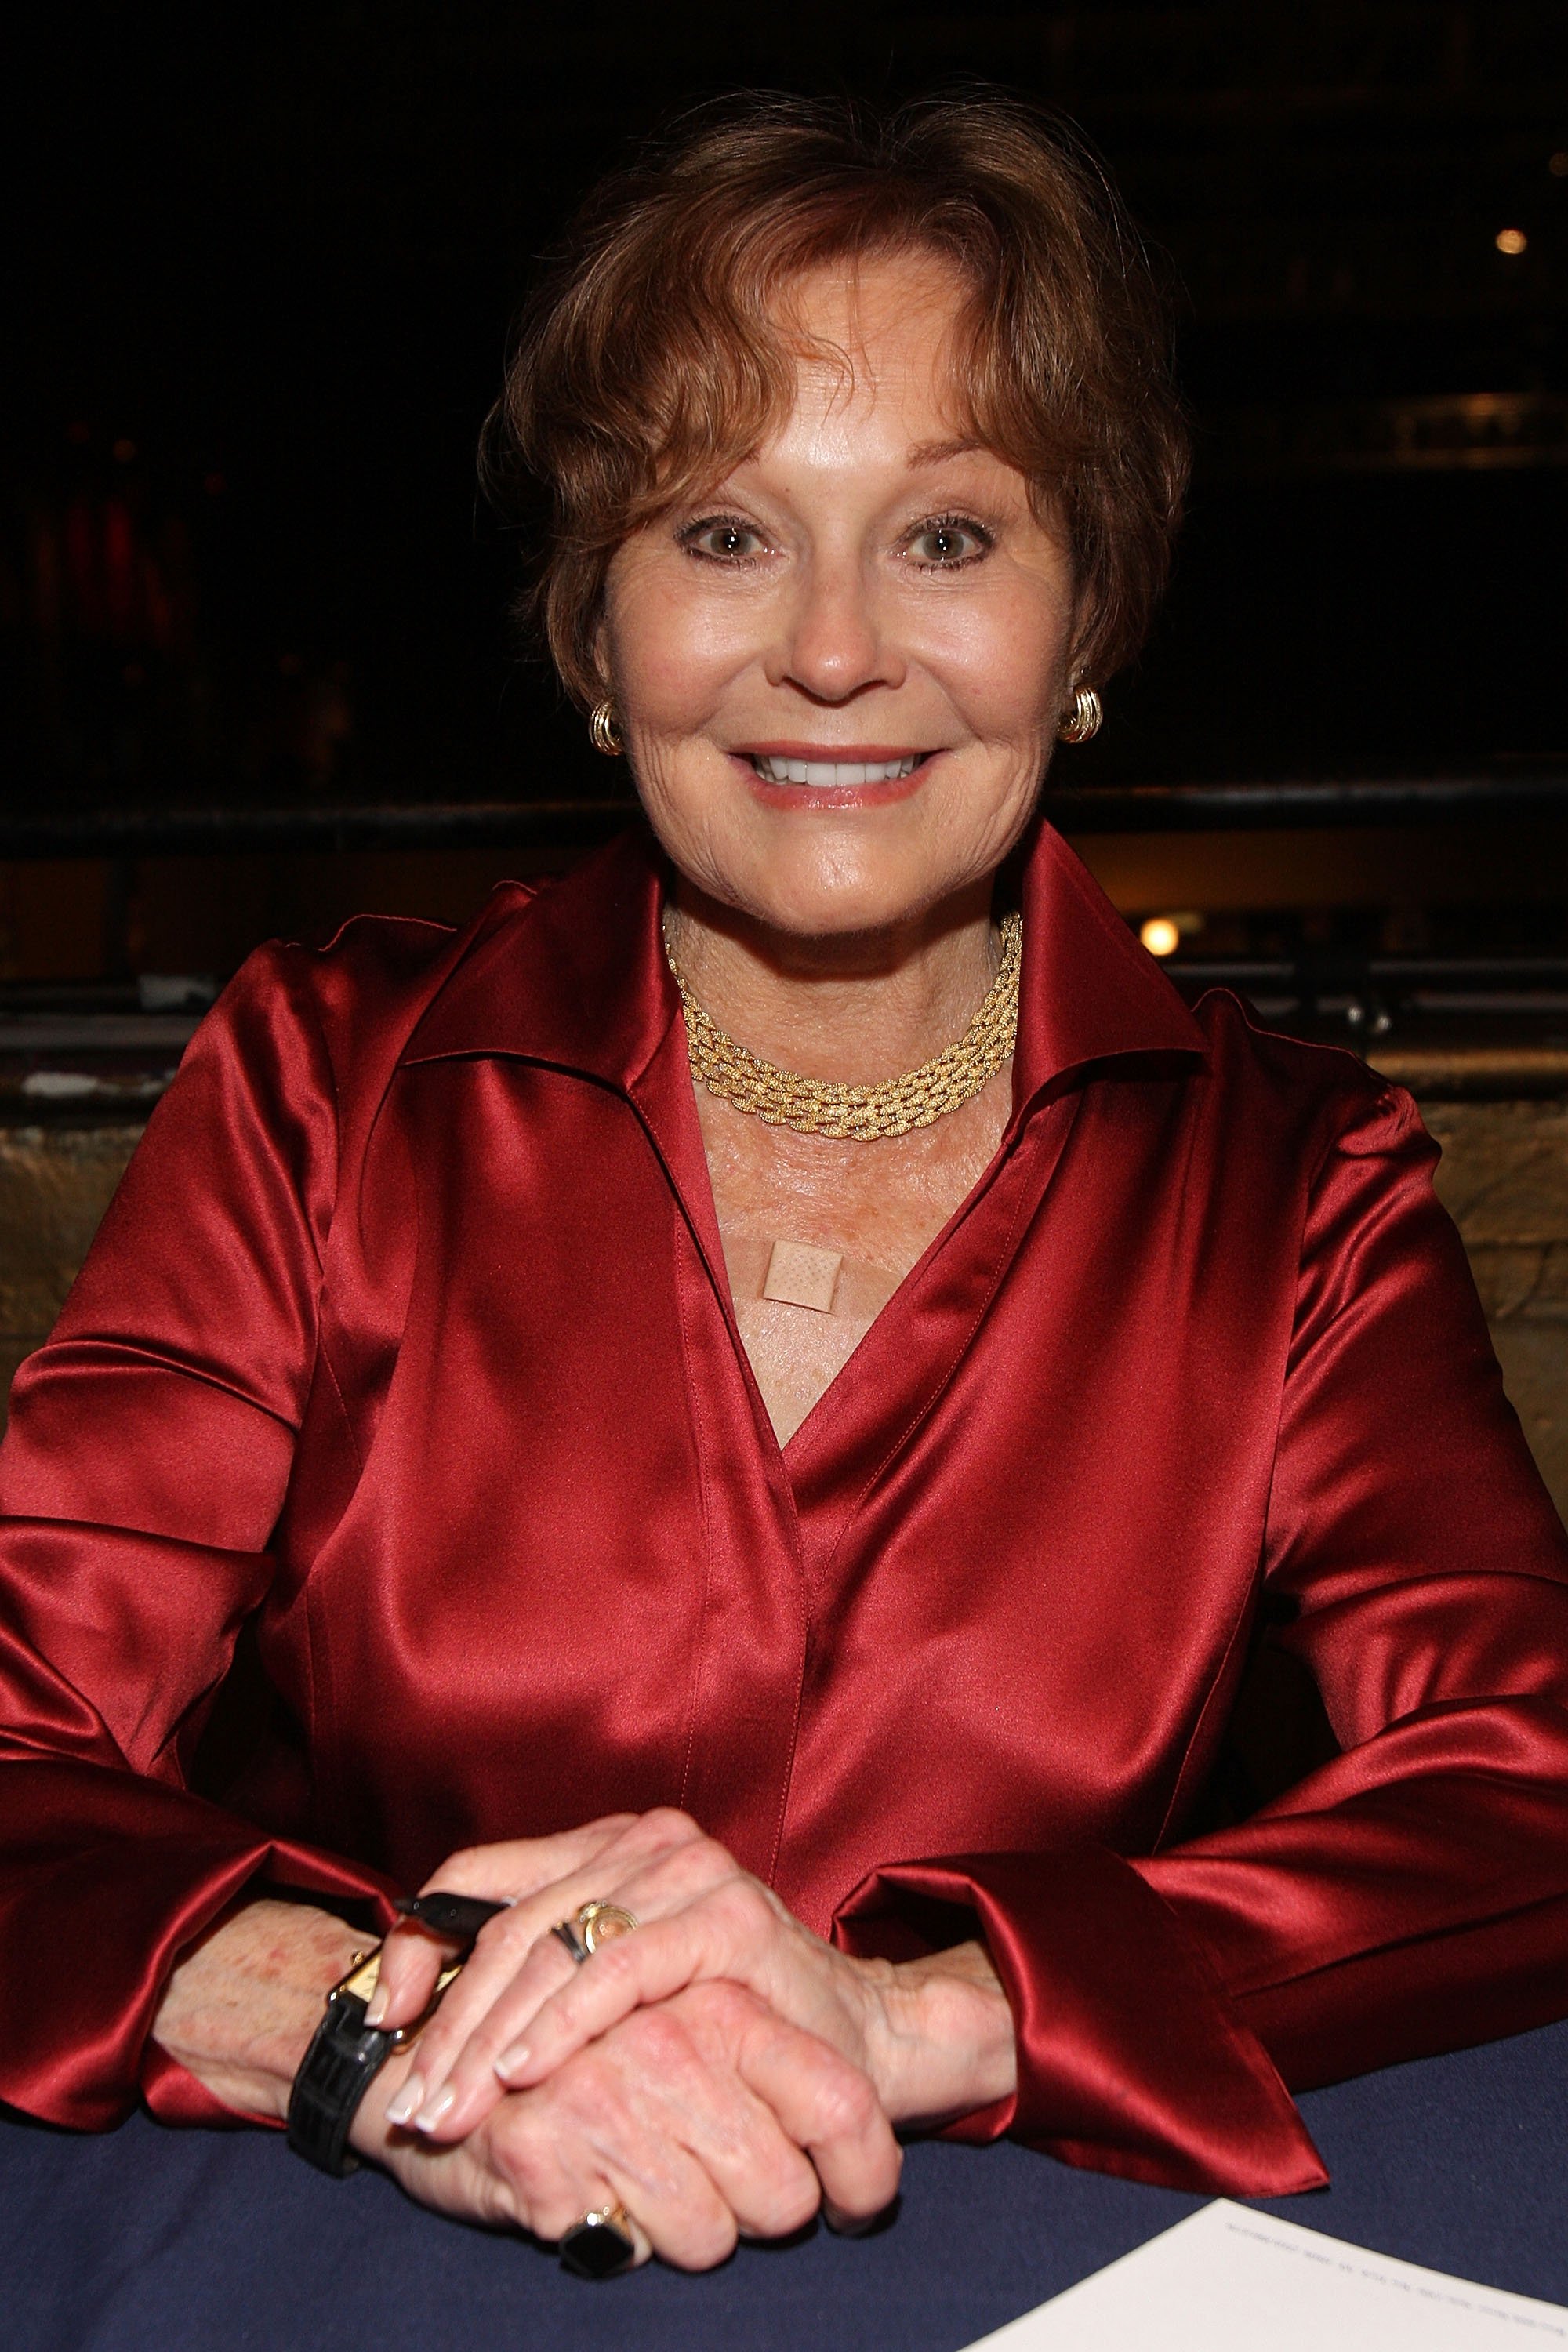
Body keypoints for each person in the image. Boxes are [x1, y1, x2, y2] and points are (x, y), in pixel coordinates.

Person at [3, 92, 1568, 2281]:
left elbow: (1530, 1783)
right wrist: (388, 2031)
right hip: (397, 2239)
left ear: (1087, 613)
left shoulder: (1296, 1181)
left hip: (1024, 2253)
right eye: (724, 533)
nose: (832, 648)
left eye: (948, 536)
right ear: (592, 630)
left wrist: (917, 2011)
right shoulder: (325, 1087)